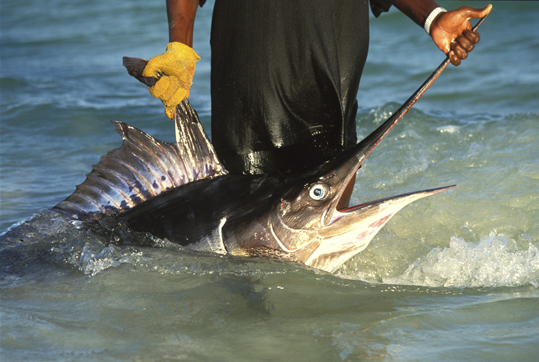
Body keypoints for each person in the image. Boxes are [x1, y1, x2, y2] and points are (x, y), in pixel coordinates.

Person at [143, 0, 491, 208]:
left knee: (324, 209)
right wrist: (179, 47)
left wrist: (432, 17)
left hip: (331, 67)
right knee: (244, 212)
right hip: (250, 62)